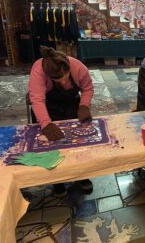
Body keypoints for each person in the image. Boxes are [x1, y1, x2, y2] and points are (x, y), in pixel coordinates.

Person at [28, 46, 94, 196]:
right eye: (58, 79)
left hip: (71, 104)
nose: (64, 82)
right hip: (47, 106)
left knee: (78, 141)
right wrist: (46, 123)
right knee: (51, 145)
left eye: (66, 76)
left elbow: (88, 88)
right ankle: (58, 181)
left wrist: (84, 106)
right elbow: (37, 99)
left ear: (68, 67)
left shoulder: (78, 67)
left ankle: (82, 177)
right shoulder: (38, 70)